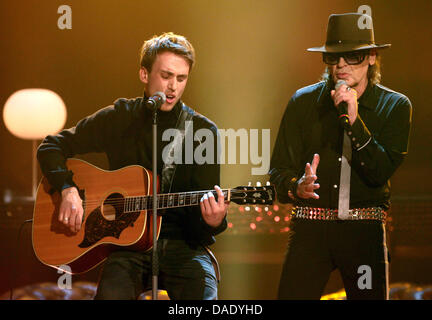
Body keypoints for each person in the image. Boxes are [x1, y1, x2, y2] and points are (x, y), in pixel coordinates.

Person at [37, 32, 228, 300]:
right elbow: (51, 146)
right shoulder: (119, 117)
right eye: (166, 75)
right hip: (127, 249)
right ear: (144, 74)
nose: (173, 87)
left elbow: (205, 215)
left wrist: (214, 221)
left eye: (181, 78)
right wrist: (67, 189)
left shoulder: (202, 131)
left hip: (183, 247)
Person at [269, 13, 412, 299]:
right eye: (334, 58)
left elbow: (379, 171)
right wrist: (297, 186)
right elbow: (277, 172)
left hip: (363, 232)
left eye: (352, 57)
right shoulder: (303, 102)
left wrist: (356, 123)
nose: (341, 65)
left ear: (372, 57)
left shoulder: (395, 106)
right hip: (311, 228)